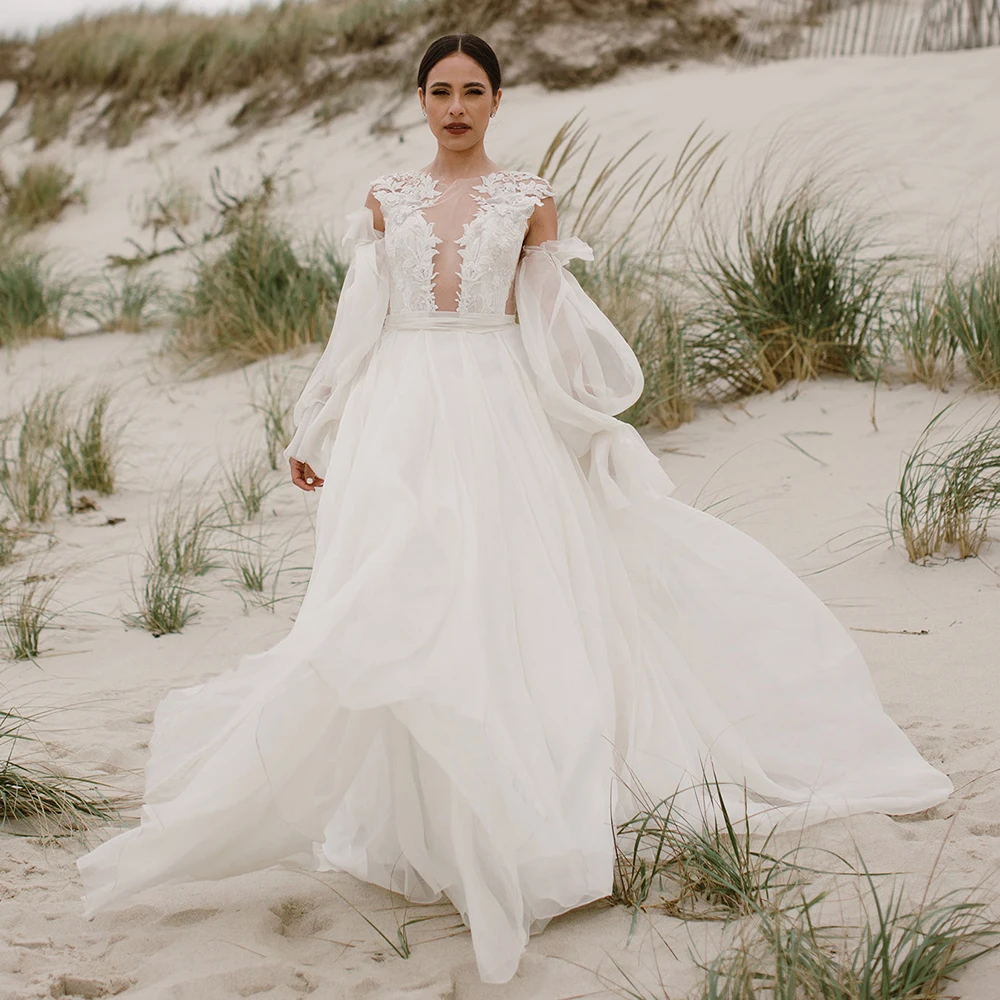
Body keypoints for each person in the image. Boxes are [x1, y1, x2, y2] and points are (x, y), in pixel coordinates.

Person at [77, 32, 952, 986]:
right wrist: (316, 421)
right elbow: (356, 327)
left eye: (473, 91)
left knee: (504, 594)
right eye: (440, 90)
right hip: (399, 414)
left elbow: (550, 327)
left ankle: (509, 808)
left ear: (496, 101)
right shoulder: (385, 199)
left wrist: (585, 425)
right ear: (420, 100)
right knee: (392, 592)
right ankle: (420, 817)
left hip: (496, 406)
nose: (455, 106)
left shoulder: (528, 201)